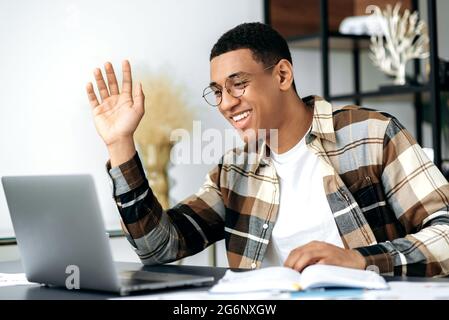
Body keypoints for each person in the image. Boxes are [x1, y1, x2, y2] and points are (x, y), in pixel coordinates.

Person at [86, 22, 449, 276]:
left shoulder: (371, 134)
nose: (226, 103)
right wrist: (120, 143)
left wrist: (360, 259)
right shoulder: (236, 170)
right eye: (217, 91)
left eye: (238, 84)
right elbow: (160, 247)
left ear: (282, 76)